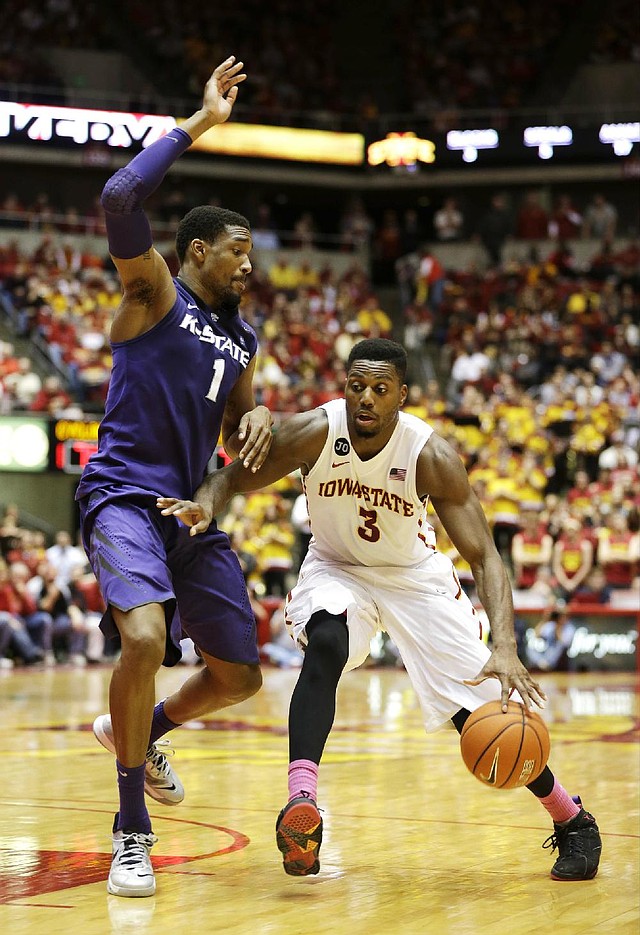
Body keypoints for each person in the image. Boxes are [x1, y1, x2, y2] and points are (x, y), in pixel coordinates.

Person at [158, 338, 602, 883]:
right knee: (326, 641)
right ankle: (302, 806)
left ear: (402, 396)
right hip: (336, 567)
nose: (365, 398)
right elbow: (232, 474)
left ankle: (573, 820)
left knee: (480, 710)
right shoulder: (315, 431)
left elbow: (486, 555)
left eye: (380, 389)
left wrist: (506, 646)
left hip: (415, 578)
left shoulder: (430, 453)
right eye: (356, 386)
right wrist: (208, 500)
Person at [75, 57, 273, 899]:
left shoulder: (244, 340)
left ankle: (141, 729)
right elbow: (121, 199)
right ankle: (130, 828)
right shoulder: (153, 291)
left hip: (188, 513)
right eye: (237, 255)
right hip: (121, 492)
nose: (248, 269)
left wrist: (254, 425)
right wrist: (199, 124)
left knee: (240, 675)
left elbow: (238, 432)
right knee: (147, 640)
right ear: (198, 251)